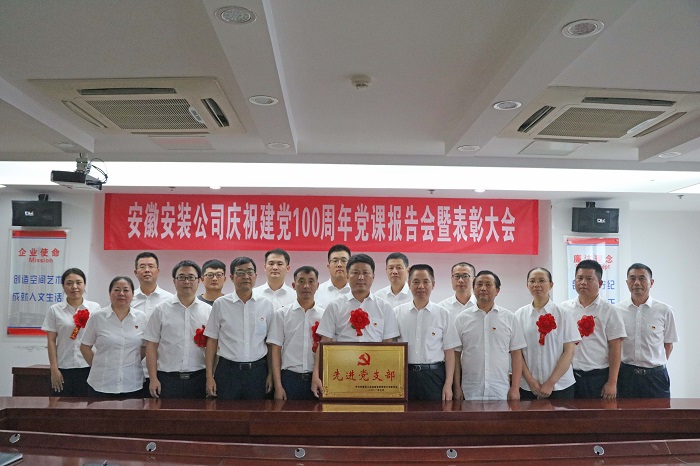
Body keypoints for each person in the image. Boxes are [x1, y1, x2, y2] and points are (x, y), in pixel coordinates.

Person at [311, 253, 400, 397]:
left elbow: (389, 346)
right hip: (342, 373)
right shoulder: (335, 307)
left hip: (374, 375)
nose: (361, 277)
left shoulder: (384, 308)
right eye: (355, 273)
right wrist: (316, 374)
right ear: (347, 276)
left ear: (373, 276)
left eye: (366, 273)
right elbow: (324, 343)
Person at [204, 257, 275, 400]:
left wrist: (271, 374)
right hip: (228, 372)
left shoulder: (266, 304)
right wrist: (209, 377)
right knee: (227, 412)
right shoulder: (220, 304)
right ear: (231, 277)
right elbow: (212, 341)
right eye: (240, 272)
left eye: (250, 272)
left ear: (255, 275)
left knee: (257, 412)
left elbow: (271, 343)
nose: (246, 276)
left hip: (257, 372)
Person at [453, 270, 525, 401]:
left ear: (497, 290)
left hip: (500, 389)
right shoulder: (461, 318)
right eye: (479, 284)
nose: (483, 288)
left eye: (488, 284)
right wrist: (457, 387)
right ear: (473, 288)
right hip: (470, 389)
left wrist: (515, 387)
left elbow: (516, 354)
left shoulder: (509, 318)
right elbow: (456, 355)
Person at [560, 259, 626, 400]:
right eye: (579, 278)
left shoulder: (610, 311)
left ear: (600, 283)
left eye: (589, 279)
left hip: (598, 377)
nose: (583, 282)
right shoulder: (564, 309)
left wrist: (612, 382)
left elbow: (616, 348)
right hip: (569, 377)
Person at [144, 260, 212, 398]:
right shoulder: (160, 310)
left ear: (199, 280)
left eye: (191, 277)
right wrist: (153, 378)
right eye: (181, 277)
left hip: (199, 378)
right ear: (174, 281)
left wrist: (211, 377)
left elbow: (214, 347)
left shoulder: (209, 311)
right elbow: (151, 346)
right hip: (167, 379)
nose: (186, 281)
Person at [395, 264, 459, 401]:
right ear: (409, 284)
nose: (421, 286)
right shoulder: (397, 313)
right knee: (404, 414)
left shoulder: (443, 314)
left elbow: (449, 353)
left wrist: (448, 385)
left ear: (433, 284)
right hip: (404, 376)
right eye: (416, 282)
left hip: (434, 376)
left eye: (426, 281)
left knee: (434, 414)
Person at [515, 267, 579, 400]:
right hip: (528, 386)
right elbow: (517, 353)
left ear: (551, 285)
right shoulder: (519, 315)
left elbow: (569, 352)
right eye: (532, 281)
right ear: (527, 285)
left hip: (561, 386)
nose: (536, 285)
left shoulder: (563, 314)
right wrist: (530, 381)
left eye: (541, 281)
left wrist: (550, 383)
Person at [617, 263, 678, 398]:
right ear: (627, 282)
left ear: (651, 282)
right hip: (626, 376)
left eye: (642, 278)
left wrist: (654, 365)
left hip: (656, 377)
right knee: (625, 411)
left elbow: (668, 345)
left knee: (659, 411)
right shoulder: (617, 310)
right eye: (632, 278)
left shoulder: (664, 310)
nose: (637, 283)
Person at [80, 276, 147, 398]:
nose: (121, 293)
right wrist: (98, 365)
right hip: (101, 384)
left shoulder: (141, 318)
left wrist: (132, 360)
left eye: (126, 290)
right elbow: (85, 347)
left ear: (133, 294)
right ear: (109, 294)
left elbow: (145, 347)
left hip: (132, 384)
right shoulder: (97, 317)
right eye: (116, 290)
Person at [42, 268, 101, 396]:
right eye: (69, 283)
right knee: (60, 405)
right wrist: (54, 369)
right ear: (63, 286)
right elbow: (51, 341)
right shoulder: (55, 310)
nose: (74, 287)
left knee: (88, 405)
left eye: (78, 282)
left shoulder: (95, 308)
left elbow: (100, 338)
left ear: (84, 285)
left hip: (89, 367)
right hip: (64, 367)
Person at [268, 266, 324, 400]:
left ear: (317, 285)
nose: (306, 286)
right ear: (294, 285)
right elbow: (275, 350)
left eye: (311, 281)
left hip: (316, 378)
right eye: (301, 281)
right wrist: (278, 386)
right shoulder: (281, 315)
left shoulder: (324, 316)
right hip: (289, 378)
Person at [131, 251, 174, 393]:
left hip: (161, 370)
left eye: (151, 266)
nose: (147, 270)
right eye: (142, 266)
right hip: (133, 369)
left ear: (158, 271)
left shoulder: (170, 300)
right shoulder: (128, 299)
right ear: (136, 272)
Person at [315, 244, 352, 308]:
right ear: (329, 267)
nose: (339, 265)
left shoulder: (357, 292)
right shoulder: (317, 292)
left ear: (350, 266)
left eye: (343, 261)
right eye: (335, 261)